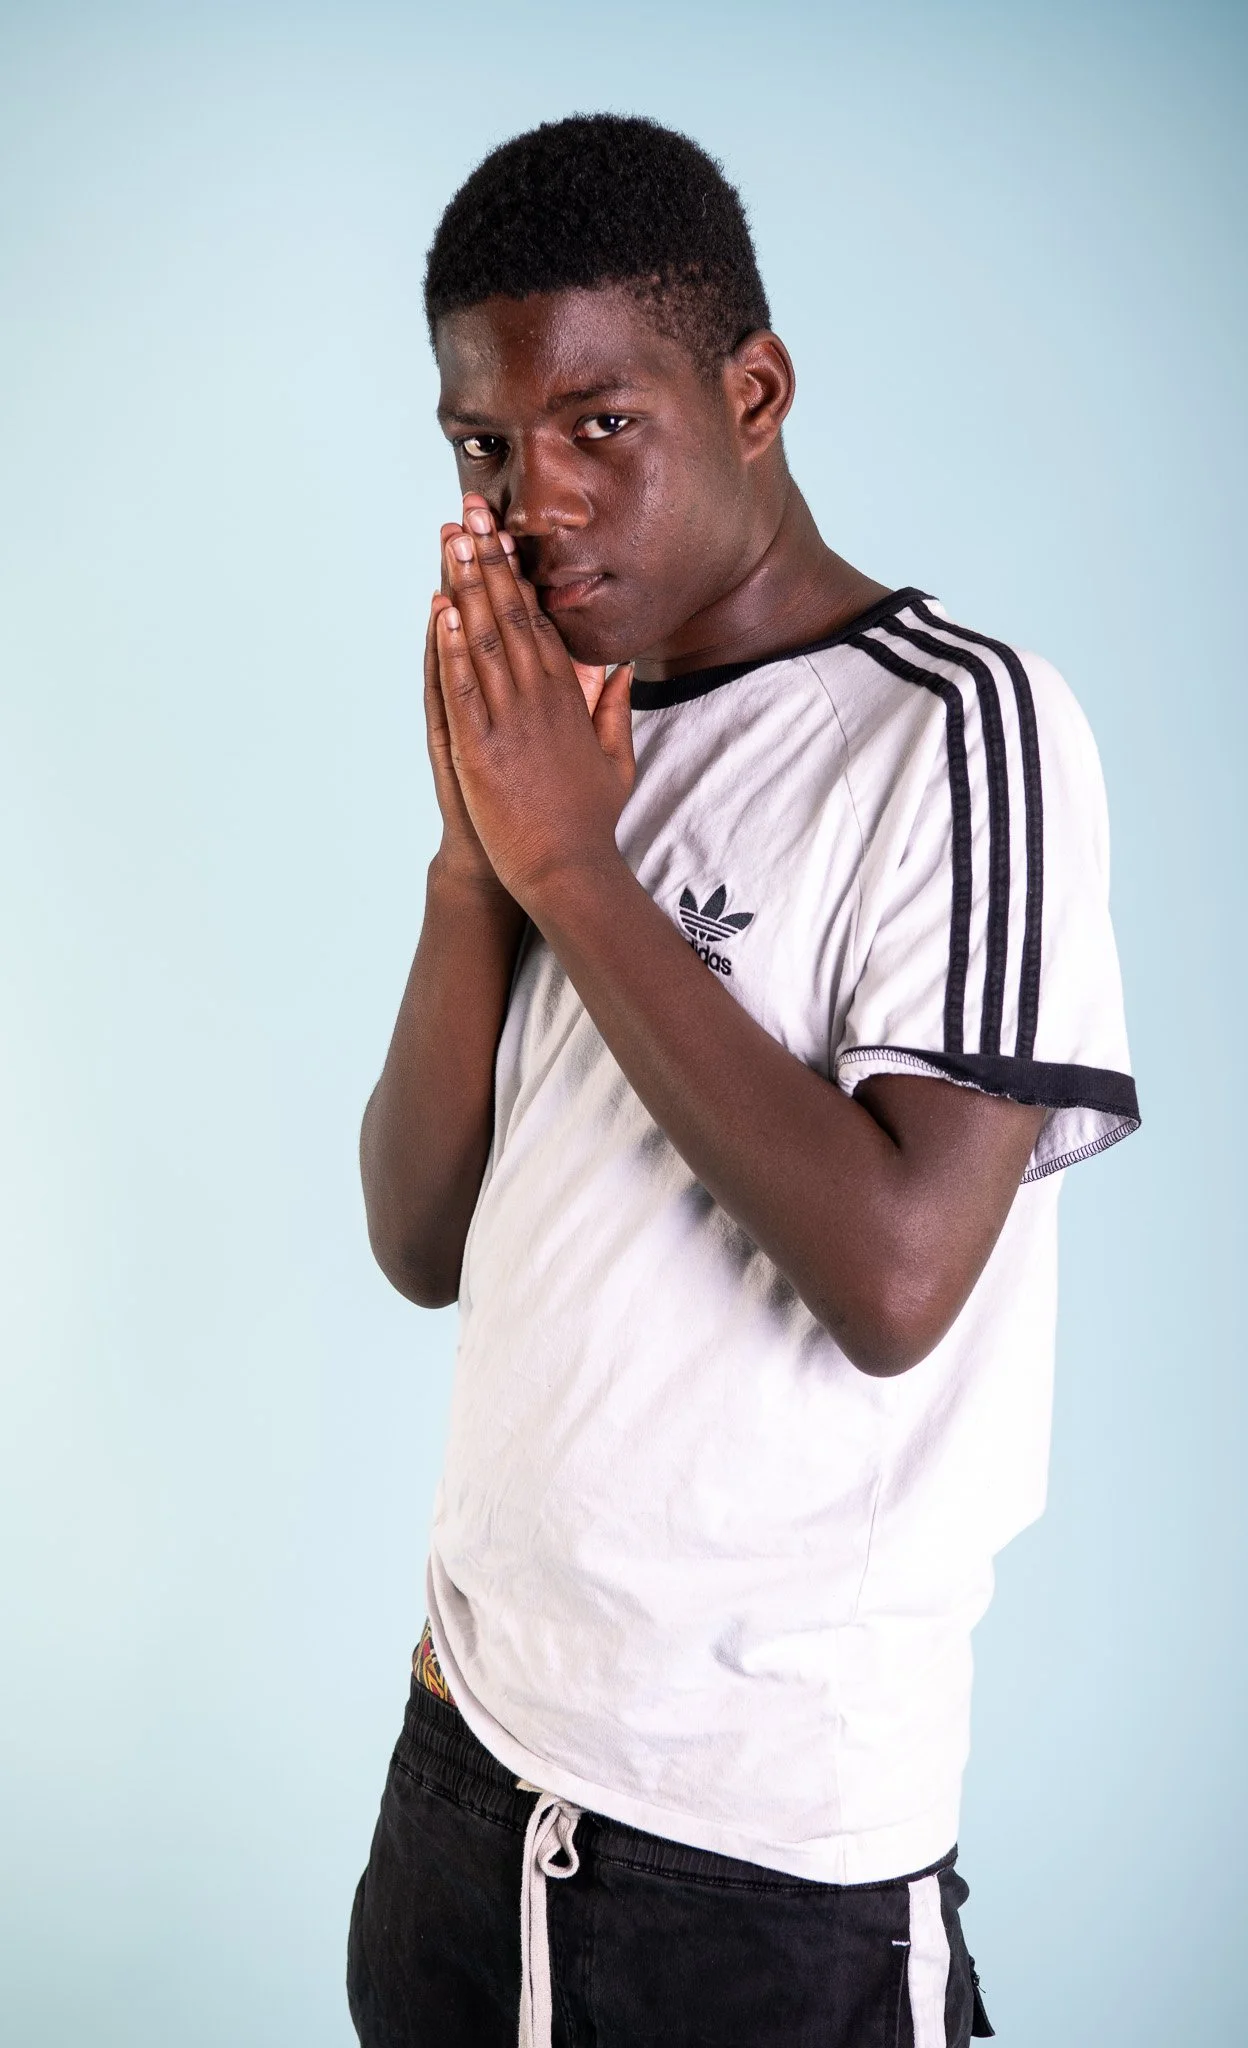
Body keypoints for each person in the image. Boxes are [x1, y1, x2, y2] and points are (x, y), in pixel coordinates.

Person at [347, 113, 1138, 2048]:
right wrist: (475, 864)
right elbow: (418, 1235)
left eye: (598, 424)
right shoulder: (570, 739)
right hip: (463, 1775)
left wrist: (569, 869)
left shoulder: (962, 732)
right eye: (482, 445)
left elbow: (893, 1277)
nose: (534, 499)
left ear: (753, 391)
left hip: (755, 1874)